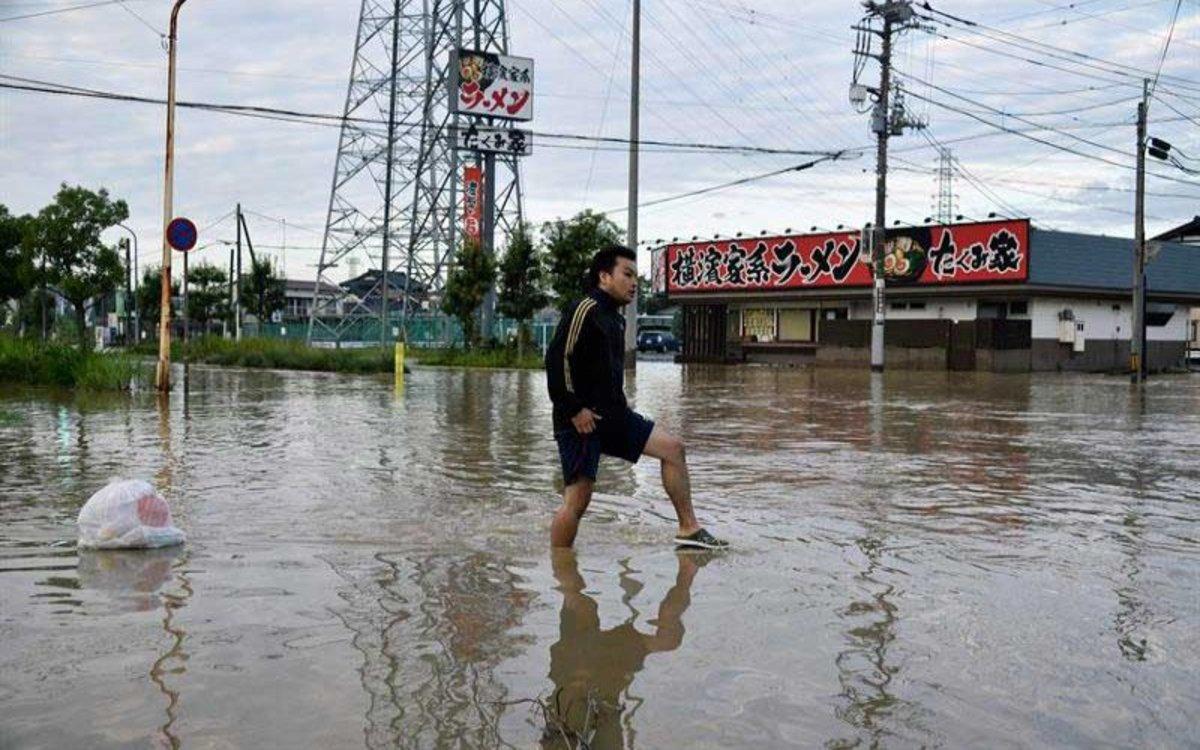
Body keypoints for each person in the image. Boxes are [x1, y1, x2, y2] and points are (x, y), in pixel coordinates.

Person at [544, 244, 727, 549]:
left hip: (614, 417)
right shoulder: (585, 309)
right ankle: (561, 570)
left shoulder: (616, 319)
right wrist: (575, 409)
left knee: (673, 449)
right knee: (577, 501)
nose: (634, 283)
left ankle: (689, 529)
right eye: (626, 274)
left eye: (636, 276)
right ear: (604, 276)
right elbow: (555, 360)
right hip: (580, 420)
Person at [543, 548, 710, 747]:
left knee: (668, 639)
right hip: (585, 664)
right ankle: (564, 565)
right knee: (577, 603)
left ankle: (686, 573)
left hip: (607, 668)